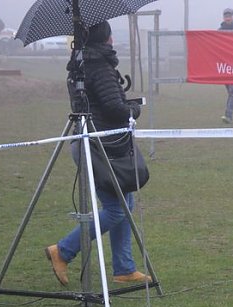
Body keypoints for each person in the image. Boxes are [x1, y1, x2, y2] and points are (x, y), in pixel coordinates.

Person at [45, 20, 149, 286]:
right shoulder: (99, 67)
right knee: (116, 209)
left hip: (99, 142)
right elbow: (115, 108)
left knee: (125, 205)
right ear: (105, 38)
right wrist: (134, 110)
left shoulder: (81, 65)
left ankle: (124, 268)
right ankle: (63, 250)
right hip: (100, 146)